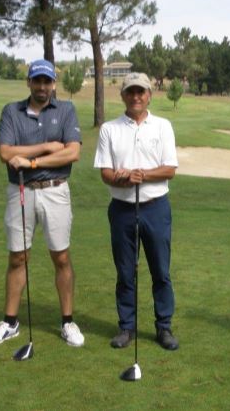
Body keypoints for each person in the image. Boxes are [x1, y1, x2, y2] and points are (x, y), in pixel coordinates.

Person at [0, 59, 85, 348]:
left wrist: (31, 160)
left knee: (61, 257)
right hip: (21, 190)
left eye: (47, 82)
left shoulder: (66, 110)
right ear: (29, 82)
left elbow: (72, 153)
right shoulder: (12, 111)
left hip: (55, 191)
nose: (42, 87)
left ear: (54, 84)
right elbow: (5, 151)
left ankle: (67, 322)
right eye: (37, 81)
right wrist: (46, 146)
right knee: (18, 257)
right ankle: (10, 323)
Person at [94, 72, 180, 351]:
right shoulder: (109, 128)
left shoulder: (163, 126)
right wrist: (121, 178)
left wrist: (140, 175)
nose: (136, 97)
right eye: (130, 91)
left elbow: (170, 169)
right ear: (122, 95)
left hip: (156, 208)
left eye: (141, 91)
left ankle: (163, 326)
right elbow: (105, 173)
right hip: (121, 209)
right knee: (125, 272)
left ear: (149, 95)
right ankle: (126, 327)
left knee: (160, 271)